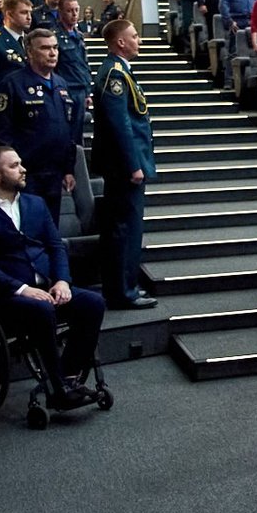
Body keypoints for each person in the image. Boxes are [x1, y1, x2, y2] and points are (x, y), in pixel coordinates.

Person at [0, 146, 105, 411]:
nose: (22, 169)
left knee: (93, 303)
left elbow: (55, 246)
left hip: (47, 286)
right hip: (5, 296)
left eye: (21, 163)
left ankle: (67, 376)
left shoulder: (35, 203)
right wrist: (21, 289)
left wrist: (62, 280)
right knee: (40, 308)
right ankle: (57, 389)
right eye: (14, 166)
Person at [92, 19, 158, 308]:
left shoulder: (121, 72)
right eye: (133, 36)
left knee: (128, 228)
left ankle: (126, 285)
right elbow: (120, 125)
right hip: (122, 167)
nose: (138, 40)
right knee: (125, 230)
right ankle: (122, 291)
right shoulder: (115, 75)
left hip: (124, 163)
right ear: (120, 42)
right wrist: (133, 165)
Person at [0, 27, 80, 226]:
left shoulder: (61, 84)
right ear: (29, 52)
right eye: (45, 48)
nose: (53, 53)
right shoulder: (13, 83)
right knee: (28, 231)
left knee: (51, 230)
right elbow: (0, 134)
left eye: (55, 47)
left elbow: (67, 131)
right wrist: (11, 171)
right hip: (26, 175)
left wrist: (68, 169)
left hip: (54, 174)